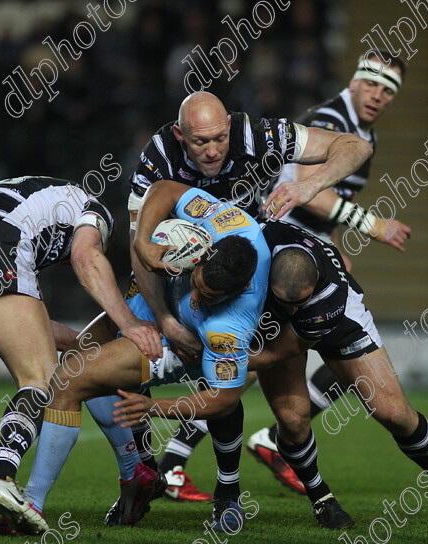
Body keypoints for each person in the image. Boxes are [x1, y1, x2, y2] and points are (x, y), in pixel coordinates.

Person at [155, 50, 413, 497]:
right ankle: (187, 461)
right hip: (277, 252)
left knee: (287, 352)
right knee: (256, 358)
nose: (377, 96)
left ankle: (223, 452)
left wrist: (331, 244)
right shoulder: (332, 119)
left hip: (302, 250)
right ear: (355, 81)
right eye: (372, 84)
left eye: (388, 91)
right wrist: (372, 225)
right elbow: (300, 192)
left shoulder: (362, 132)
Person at [118, 219, 428, 531]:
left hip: (337, 322)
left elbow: (285, 350)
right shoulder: (254, 250)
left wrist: (224, 359)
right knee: (293, 420)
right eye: (284, 300)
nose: (291, 306)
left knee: (392, 412)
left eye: (296, 302)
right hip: (271, 321)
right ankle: (320, 497)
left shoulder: (325, 297)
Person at [126, 90, 374, 498]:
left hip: (243, 272)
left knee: (255, 386)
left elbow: (356, 146)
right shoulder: (159, 155)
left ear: (228, 128)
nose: (211, 151)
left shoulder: (257, 136)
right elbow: (140, 244)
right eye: (199, 142)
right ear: (179, 134)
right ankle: (143, 473)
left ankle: (200, 474)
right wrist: (167, 321)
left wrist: (309, 186)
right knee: (112, 358)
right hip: (176, 273)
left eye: (218, 139)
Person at [9, 183, 272, 533]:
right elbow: (164, 189)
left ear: (236, 292)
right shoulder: (225, 225)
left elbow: (223, 399)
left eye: (208, 296)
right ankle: (138, 473)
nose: (197, 295)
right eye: (197, 281)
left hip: (186, 344)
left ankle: (33, 505)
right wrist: (145, 240)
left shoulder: (228, 329)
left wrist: (154, 407)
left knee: (73, 376)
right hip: (155, 305)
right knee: (82, 354)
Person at [0, 176, 162, 535]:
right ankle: (0, 472)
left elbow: (23, 326)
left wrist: (88, 346)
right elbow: (84, 255)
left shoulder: (35, 204)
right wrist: (129, 323)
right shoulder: (97, 211)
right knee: (41, 377)